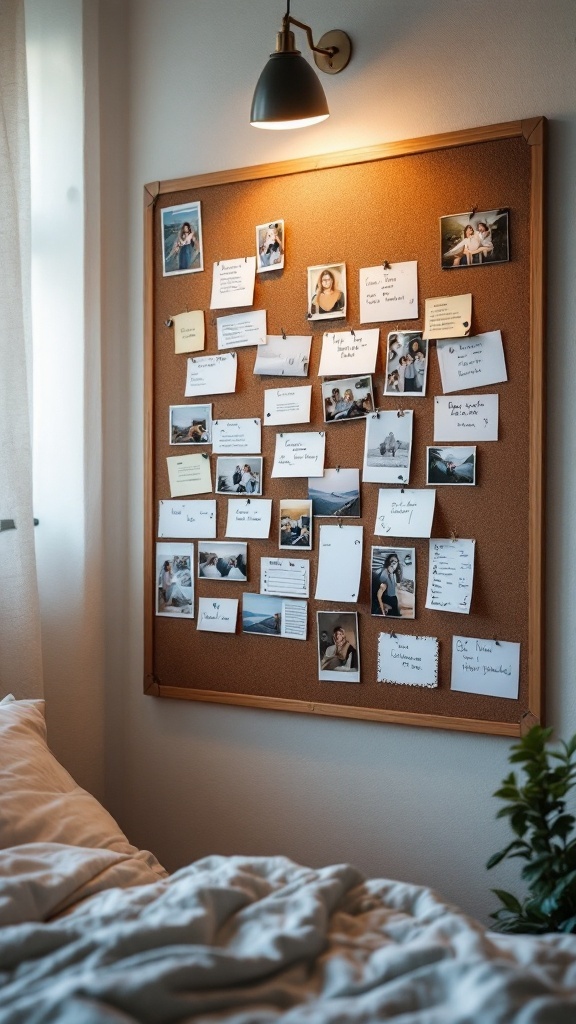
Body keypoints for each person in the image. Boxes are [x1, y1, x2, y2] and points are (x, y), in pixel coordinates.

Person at [373, 553, 402, 617]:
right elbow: (379, 589)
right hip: (386, 599)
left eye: (395, 562)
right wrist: (382, 605)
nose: (393, 564)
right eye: (391, 561)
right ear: (388, 562)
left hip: (393, 598)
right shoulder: (385, 572)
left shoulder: (393, 574)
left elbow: (394, 587)